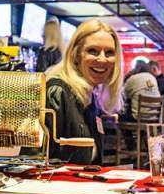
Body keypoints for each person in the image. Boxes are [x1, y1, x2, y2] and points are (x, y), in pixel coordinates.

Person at [45, 20, 123, 164]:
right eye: (92, 51)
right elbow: (45, 161)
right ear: (76, 54)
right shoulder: (57, 92)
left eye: (109, 52)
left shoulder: (91, 95)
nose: (102, 59)